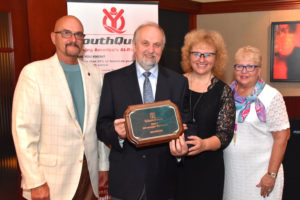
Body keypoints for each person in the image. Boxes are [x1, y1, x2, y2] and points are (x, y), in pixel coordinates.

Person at [11, 15, 110, 200]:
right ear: (53, 37)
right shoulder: (34, 74)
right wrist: (35, 181)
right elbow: (23, 132)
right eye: (66, 33)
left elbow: (99, 125)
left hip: (88, 176)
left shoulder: (95, 74)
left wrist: (103, 164)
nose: (73, 39)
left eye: (79, 35)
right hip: (50, 180)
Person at [96, 22, 189, 200]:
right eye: (145, 43)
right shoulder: (112, 80)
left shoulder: (178, 83)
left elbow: (186, 123)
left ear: (163, 48)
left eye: (157, 45)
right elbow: (102, 125)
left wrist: (181, 150)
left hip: (164, 182)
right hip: (125, 181)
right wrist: (117, 134)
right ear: (134, 45)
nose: (151, 50)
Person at [169, 29, 235, 200]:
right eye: (197, 53)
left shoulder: (223, 91)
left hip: (208, 169)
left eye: (208, 54)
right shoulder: (173, 84)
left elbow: (225, 134)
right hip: (173, 166)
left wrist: (204, 144)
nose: (202, 59)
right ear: (188, 55)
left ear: (217, 58)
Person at [223, 45, 290, 199]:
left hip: (262, 175)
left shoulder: (271, 96)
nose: (244, 71)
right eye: (239, 66)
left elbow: (282, 137)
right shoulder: (226, 93)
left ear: (259, 70)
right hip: (232, 174)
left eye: (250, 67)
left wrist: (271, 174)